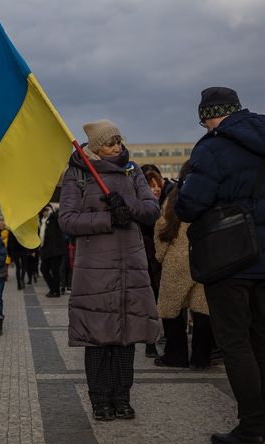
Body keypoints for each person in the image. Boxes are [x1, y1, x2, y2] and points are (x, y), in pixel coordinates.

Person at [175, 87, 265, 444]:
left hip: (229, 259)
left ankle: (252, 428)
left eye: (203, 118)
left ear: (209, 115)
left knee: (236, 343)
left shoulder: (212, 147)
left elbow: (188, 207)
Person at [59, 119, 161, 421]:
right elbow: (67, 220)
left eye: (119, 140)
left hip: (130, 266)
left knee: (125, 336)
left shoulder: (133, 171)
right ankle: (100, 399)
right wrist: (107, 219)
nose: (117, 146)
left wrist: (126, 204)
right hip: (95, 270)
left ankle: (122, 397)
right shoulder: (77, 174)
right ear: (95, 147)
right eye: (110, 142)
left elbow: (151, 211)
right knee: (98, 337)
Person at [153, 160, 213, 369]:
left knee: (172, 311)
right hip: (203, 259)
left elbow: (162, 229)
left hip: (175, 260)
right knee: (202, 311)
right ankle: (201, 358)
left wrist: (161, 256)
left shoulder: (173, 198)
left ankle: (175, 356)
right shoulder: (209, 195)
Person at [140, 167, 165, 358]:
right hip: (146, 262)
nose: (155, 189)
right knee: (149, 303)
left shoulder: (167, 205)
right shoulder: (141, 209)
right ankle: (150, 342)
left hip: (162, 262)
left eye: (158, 185)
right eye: (151, 186)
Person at [38, 204, 67, 297]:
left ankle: (56, 291)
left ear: (48, 210)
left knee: (55, 271)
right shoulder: (42, 222)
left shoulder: (54, 218)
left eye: (45, 211)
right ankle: (53, 289)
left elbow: (58, 217)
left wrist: (53, 211)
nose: (44, 214)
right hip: (46, 251)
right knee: (44, 269)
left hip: (56, 250)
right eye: (43, 213)